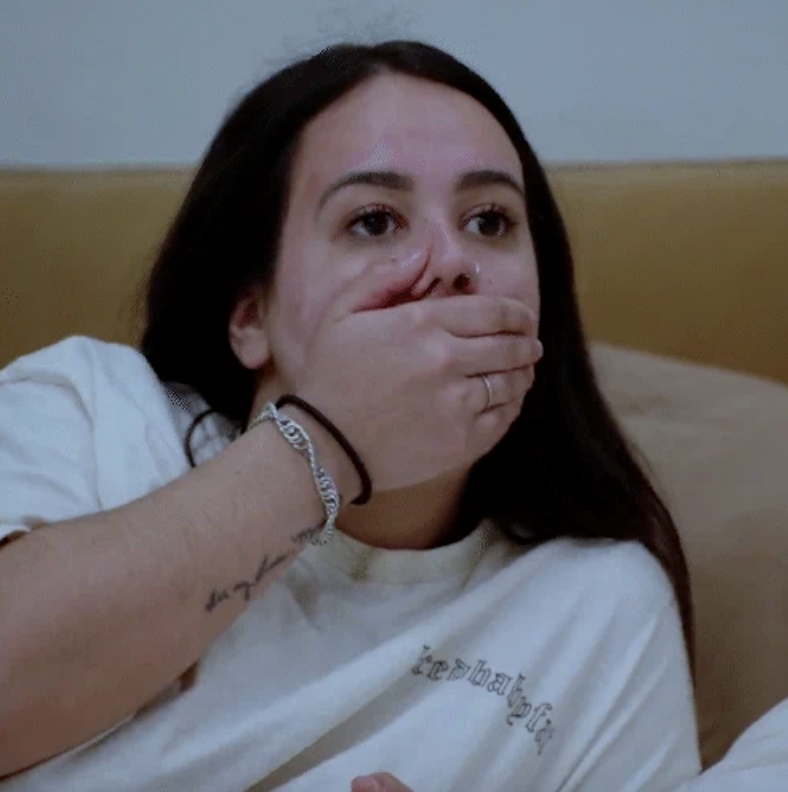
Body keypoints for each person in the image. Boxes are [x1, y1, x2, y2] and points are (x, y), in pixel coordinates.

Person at [0, 39, 701, 791]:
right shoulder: (95, 408)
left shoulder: (600, 606)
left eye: (491, 221)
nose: (449, 260)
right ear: (250, 314)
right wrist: (327, 443)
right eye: (373, 221)